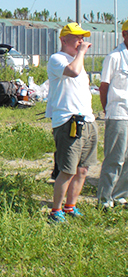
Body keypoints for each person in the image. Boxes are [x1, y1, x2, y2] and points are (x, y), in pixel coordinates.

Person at [45, 22, 97, 223]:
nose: (81, 41)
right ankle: (55, 210)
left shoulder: (78, 61)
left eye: (82, 37)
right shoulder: (57, 59)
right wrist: (81, 52)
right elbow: (73, 72)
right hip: (68, 121)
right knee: (67, 169)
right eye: (77, 37)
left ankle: (70, 206)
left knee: (82, 169)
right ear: (64, 39)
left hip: (87, 120)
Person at [97, 20, 128, 208]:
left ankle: (120, 196)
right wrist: (107, 109)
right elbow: (104, 87)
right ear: (124, 34)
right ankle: (104, 200)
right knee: (114, 159)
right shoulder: (114, 57)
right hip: (118, 114)